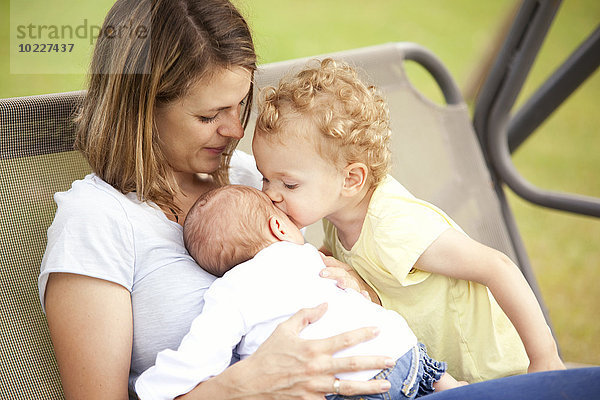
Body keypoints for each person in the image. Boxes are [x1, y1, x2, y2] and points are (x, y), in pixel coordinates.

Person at [38, 1, 396, 399]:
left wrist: (359, 287)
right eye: (209, 116)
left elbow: (311, 281)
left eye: (242, 103)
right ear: (141, 109)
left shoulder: (256, 178)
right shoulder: (97, 219)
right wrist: (244, 386)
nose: (235, 128)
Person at [251, 58, 566, 383]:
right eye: (265, 178)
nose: (271, 193)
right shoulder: (337, 215)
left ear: (351, 179)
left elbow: (497, 267)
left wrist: (544, 357)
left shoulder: (395, 225)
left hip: (495, 373)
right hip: (440, 377)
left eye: (288, 184)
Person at [135, 185, 466, 399]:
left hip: (348, 387)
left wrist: (154, 388)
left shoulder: (228, 293)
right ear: (278, 227)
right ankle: (457, 390)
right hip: (403, 353)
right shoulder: (309, 256)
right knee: (411, 352)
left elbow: (196, 358)